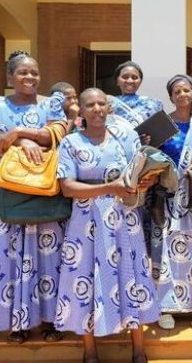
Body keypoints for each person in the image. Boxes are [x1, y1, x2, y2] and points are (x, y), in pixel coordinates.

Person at [55, 88, 159, 363]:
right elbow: (67, 187)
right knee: (86, 277)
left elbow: (137, 172)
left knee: (131, 275)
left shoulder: (125, 138)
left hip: (124, 219)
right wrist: (108, 188)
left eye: (102, 103)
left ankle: (138, 348)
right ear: (82, 110)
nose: (98, 109)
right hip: (85, 223)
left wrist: (143, 181)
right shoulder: (71, 143)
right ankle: (89, 351)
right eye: (91, 105)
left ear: (108, 108)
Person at [0, 50, 68, 343]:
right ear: (9, 77)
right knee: (13, 257)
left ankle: (51, 321)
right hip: (11, 190)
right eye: (22, 73)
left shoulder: (51, 103)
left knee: (49, 257)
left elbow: (56, 135)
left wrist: (16, 132)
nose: (30, 77)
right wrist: (25, 141)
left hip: (45, 188)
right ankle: (19, 323)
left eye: (34, 73)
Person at [151, 75, 192, 330]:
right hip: (168, 195)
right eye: (177, 92)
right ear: (171, 97)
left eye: (187, 90)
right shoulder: (163, 123)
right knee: (166, 251)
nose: (182, 95)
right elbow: (146, 155)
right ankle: (165, 305)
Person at [109, 61, 164, 145]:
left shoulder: (153, 105)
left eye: (134, 77)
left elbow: (160, 134)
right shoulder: (108, 104)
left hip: (143, 153)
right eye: (125, 77)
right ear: (117, 81)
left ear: (140, 81)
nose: (130, 80)